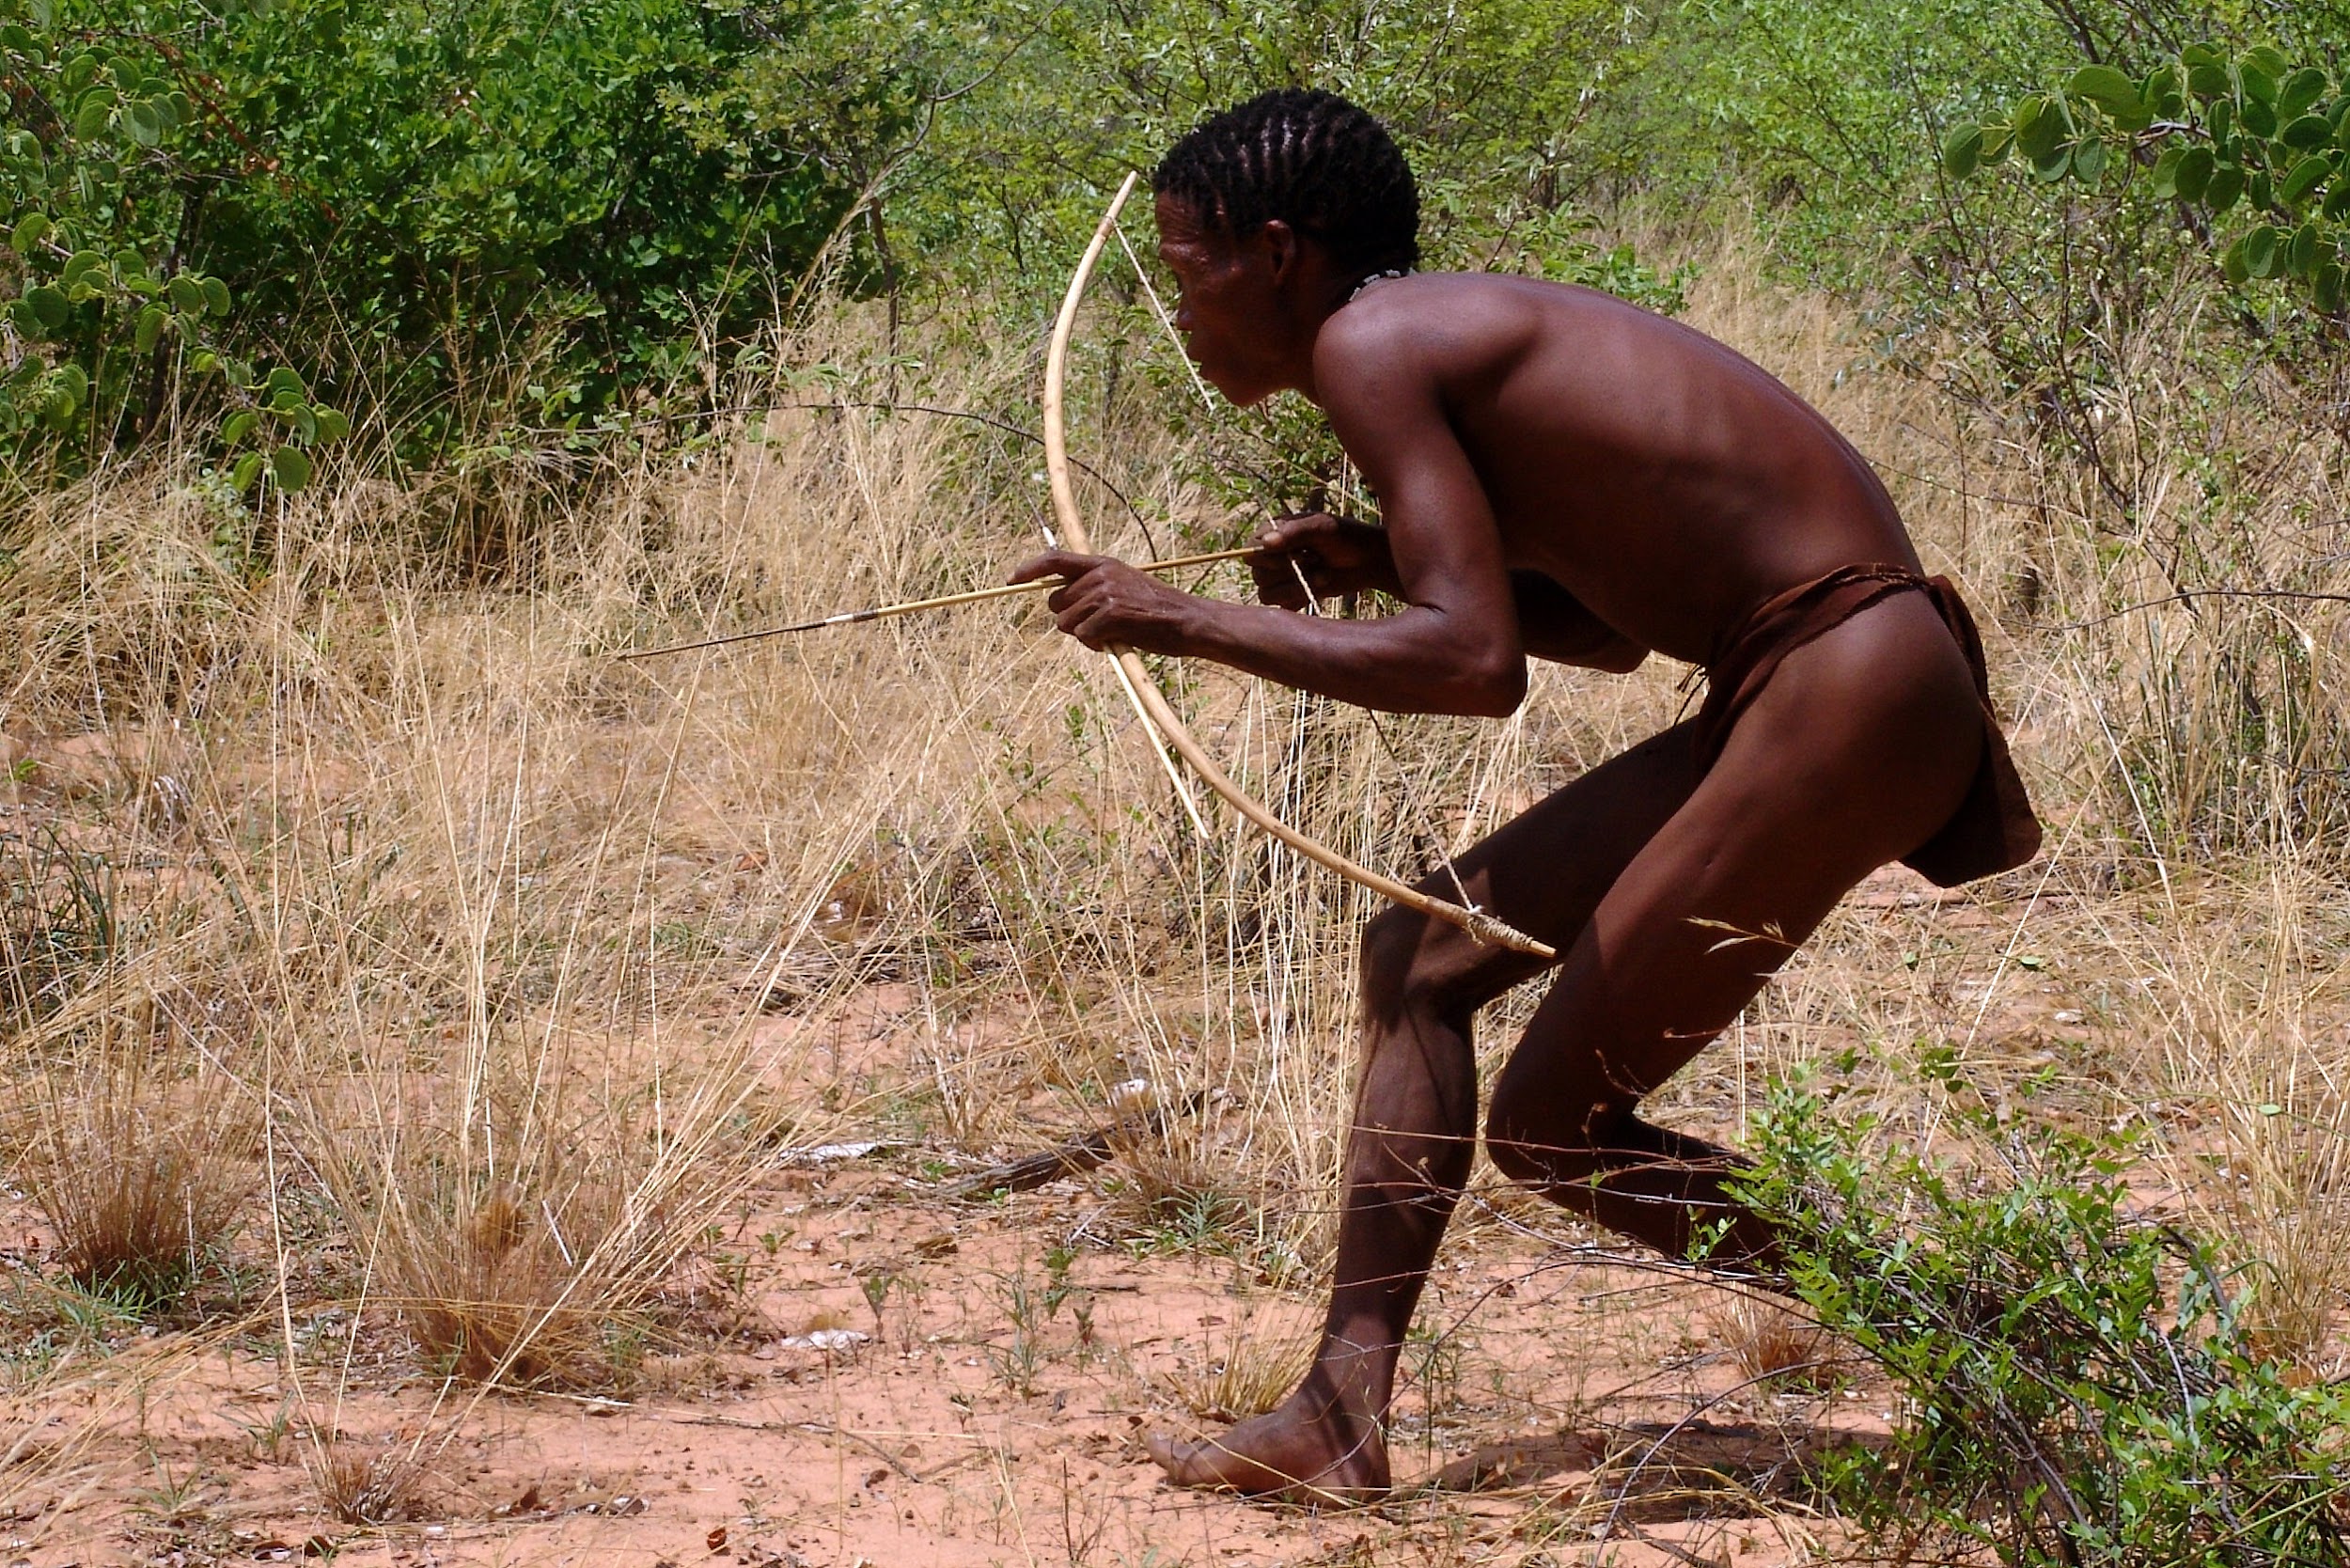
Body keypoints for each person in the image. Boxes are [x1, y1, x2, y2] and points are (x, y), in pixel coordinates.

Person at [1010, 87, 2040, 1505]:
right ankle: (1339, 1416)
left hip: (1843, 678)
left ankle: (1992, 1347)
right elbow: (1602, 629)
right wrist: (1377, 557)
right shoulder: (1416, 337)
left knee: (1559, 1130)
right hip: (1827, 673)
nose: (1180, 319)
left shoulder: (1371, 341)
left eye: (1190, 278)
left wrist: (1178, 620)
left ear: (1278, 251)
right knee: (1417, 957)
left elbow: (1473, 664)